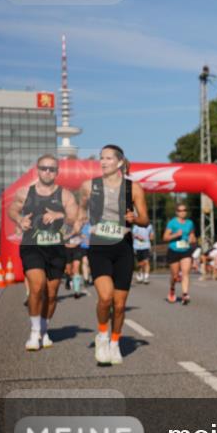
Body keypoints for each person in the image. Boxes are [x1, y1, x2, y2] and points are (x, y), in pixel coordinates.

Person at [79, 146, 149, 365]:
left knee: (119, 305)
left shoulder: (133, 188)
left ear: (120, 163)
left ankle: (115, 343)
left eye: (108, 158)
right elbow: (80, 211)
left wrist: (134, 218)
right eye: (101, 158)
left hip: (123, 248)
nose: (103, 161)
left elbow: (145, 219)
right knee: (105, 297)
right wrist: (80, 221)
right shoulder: (89, 186)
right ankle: (102, 336)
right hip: (99, 247)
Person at [8, 154, 79, 351]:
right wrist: (19, 219)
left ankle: (44, 329)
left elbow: (74, 216)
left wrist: (60, 215)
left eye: (51, 169)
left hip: (56, 248)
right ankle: (34, 332)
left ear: (57, 172)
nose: (47, 172)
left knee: (52, 293)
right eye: (43, 168)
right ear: (37, 170)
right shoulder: (25, 192)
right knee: (37, 287)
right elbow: (12, 209)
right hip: (32, 246)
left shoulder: (65, 195)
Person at [163, 203, 196, 304]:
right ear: (177, 212)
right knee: (175, 275)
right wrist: (176, 234)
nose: (182, 212)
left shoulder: (190, 223)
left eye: (184, 210)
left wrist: (192, 239)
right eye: (180, 211)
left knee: (185, 272)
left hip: (186, 250)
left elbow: (192, 236)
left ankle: (185, 294)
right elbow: (165, 238)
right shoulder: (172, 223)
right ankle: (172, 289)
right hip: (174, 250)